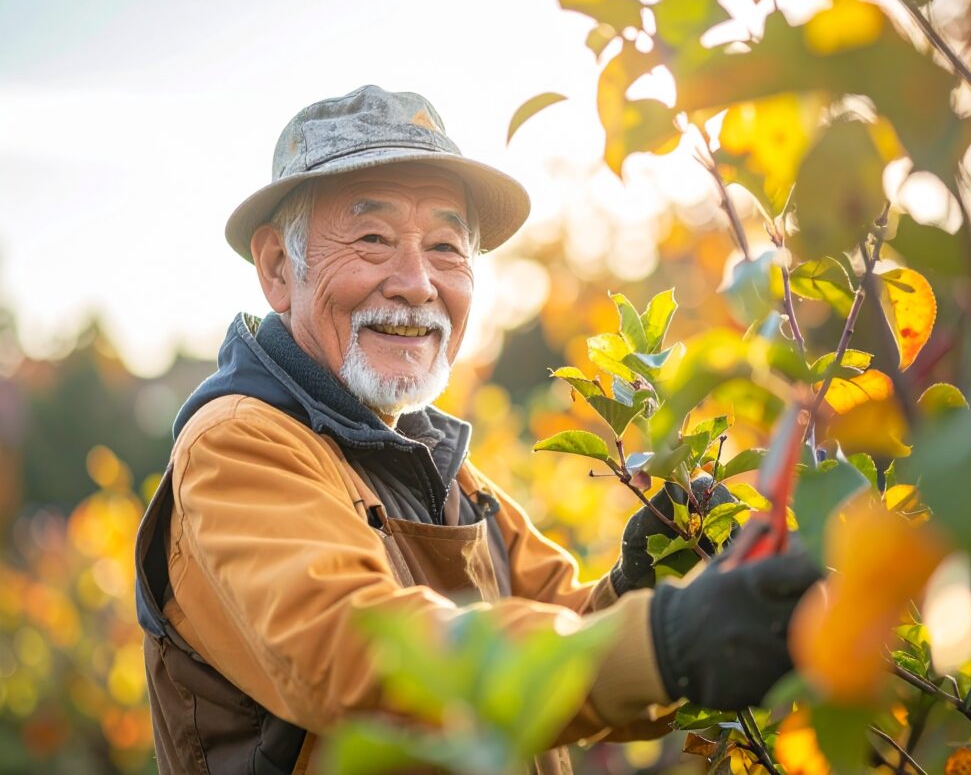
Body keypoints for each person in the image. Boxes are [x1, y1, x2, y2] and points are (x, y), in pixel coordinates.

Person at [134, 85, 820, 775]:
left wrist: (638, 586)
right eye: (373, 239)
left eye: (445, 246)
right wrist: (663, 641)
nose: (416, 282)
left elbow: (559, 635)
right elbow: (353, 654)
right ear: (279, 269)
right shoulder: (238, 445)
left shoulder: (438, 464)